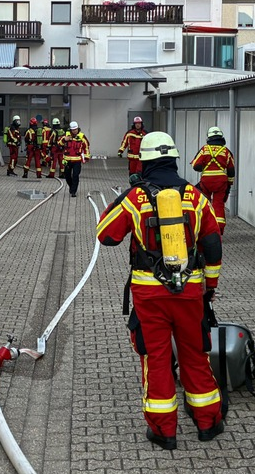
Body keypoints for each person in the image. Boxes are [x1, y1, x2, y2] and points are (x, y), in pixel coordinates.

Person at [96, 131, 224, 450]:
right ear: (175, 160)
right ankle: (208, 422)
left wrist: (130, 197)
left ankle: (164, 430)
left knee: (156, 359)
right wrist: (209, 287)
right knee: (195, 354)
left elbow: (105, 235)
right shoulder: (196, 197)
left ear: (146, 162)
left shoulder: (135, 197)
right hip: (191, 292)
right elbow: (212, 245)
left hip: (149, 294)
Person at [190, 126, 236, 234]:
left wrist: (204, 167)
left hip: (206, 182)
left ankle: (204, 227)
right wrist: (229, 184)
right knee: (218, 204)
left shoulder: (204, 149)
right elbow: (231, 170)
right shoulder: (226, 151)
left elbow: (195, 165)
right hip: (221, 182)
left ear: (209, 137)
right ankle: (218, 230)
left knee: (205, 204)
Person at [59, 121, 90, 198]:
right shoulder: (66, 135)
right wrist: (64, 140)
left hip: (77, 160)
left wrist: (87, 157)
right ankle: (71, 187)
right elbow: (59, 143)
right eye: (73, 130)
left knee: (76, 175)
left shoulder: (82, 136)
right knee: (67, 176)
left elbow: (86, 146)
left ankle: (73, 191)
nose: (75, 131)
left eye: (76, 129)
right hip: (67, 160)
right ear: (70, 130)